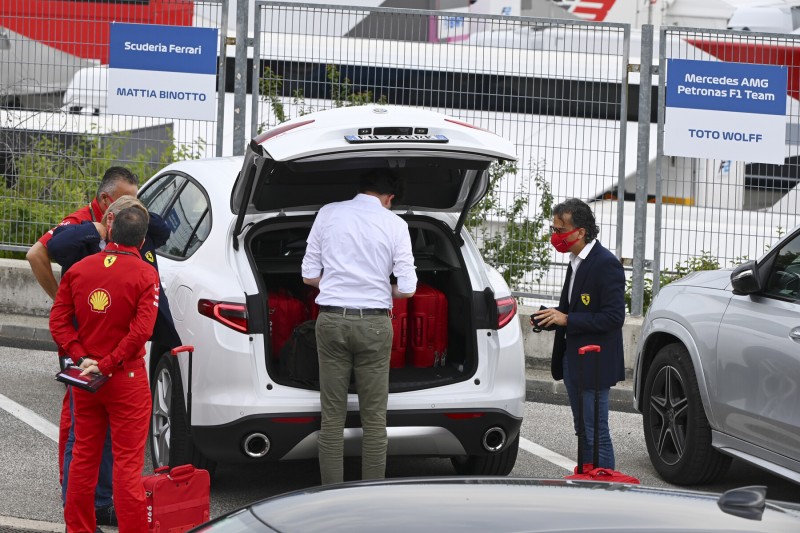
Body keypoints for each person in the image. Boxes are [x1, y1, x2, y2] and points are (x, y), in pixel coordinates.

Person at [47, 195, 181, 515]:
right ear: (142, 238)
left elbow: (58, 321)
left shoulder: (80, 269)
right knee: (127, 467)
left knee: (83, 457)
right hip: (125, 379)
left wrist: (82, 359)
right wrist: (106, 365)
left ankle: (78, 526)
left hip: (86, 378)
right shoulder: (145, 274)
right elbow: (141, 333)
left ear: (109, 229)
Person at [26, 166, 138, 526]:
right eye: (126, 199)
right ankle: (85, 497)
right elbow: (35, 255)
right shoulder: (81, 221)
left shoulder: (121, 224)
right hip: (80, 338)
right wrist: (64, 303)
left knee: (79, 415)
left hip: (95, 336)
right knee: (81, 418)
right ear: (106, 201)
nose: (132, 206)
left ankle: (79, 492)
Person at [301, 170, 417, 485]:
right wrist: (382, 288)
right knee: (375, 422)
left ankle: (331, 495)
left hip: (332, 321)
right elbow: (407, 288)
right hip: (375, 326)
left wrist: (339, 284)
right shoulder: (396, 225)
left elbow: (309, 274)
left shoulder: (328, 213)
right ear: (389, 198)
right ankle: (370, 498)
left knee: (332, 419)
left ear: (360, 188)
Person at [532, 198, 625, 469]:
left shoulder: (605, 263)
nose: (555, 237)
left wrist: (568, 319)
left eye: (560, 231)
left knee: (597, 432)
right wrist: (550, 318)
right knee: (582, 430)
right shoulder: (575, 261)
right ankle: (587, 482)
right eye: (554, 229)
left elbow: (614, 317)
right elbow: (569, 310)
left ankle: (604, 488)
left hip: (594, 363)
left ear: (581, 231)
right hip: (572, 360)